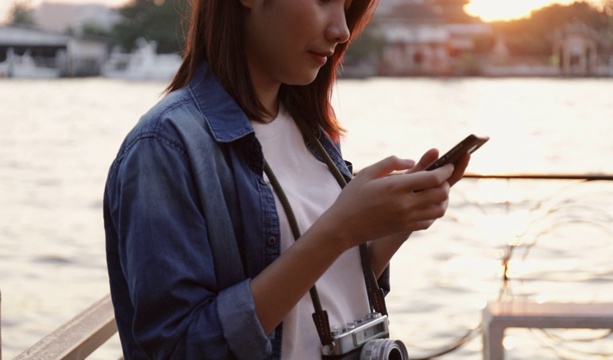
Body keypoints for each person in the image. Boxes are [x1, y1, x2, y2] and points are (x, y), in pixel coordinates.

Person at [103, 0, 471, 359]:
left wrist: (388, 227)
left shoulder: (312, 129)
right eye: (325, 1)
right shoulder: (165, 147)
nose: (341, 30)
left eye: (346, 6)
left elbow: (324, 291)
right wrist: (338, 229)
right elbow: (181, 347)